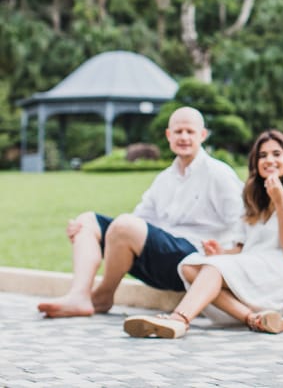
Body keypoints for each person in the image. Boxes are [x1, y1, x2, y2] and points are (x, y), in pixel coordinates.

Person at [37, 106, 244, 318]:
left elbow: (243, 224)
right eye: (178, 131)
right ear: (168, 135)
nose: (184, 137)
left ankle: (103, 296)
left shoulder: (219, 174)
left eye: (190, 132)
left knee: (124, 226)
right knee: (87, 221)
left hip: (193, 261)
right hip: (160, 256)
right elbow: (139, 221)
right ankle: (78, 296)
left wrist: (227, 258)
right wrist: (94, 233)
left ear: (202, 135)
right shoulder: (165, 178)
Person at [122, 129, 283, 339]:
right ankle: (253, 318)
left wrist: (280, 203)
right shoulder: (253, 197)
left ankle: (178, 319)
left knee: (213, 269)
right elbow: (243, 247)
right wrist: (222, 252)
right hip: (256, 263)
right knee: (189, 266)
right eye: (262, 156)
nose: (269, 160)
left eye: (276, 154)